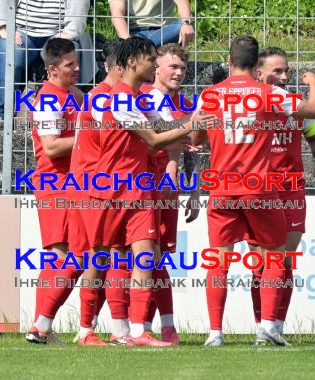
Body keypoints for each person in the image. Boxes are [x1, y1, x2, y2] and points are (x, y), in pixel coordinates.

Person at [191, 35, 315, 347]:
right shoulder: (270, 94)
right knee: (276, 255)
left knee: (218, 261)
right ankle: (267, 328)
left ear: (229, 60)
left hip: (222, 188)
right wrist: (314, 82)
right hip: (259, 188)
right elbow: (314, 110)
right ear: (255, 64)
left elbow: (196, 138)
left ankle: (215, 334)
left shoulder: (210, 95)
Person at [86, 36, 214, 347]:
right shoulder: (119, 100)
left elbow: (167, 129)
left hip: (139, 189)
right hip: (115, 188)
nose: (154, 64)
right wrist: (191, 125)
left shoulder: (139, 99)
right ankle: (99, 329)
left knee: (146, 257)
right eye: (150, 59)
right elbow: (155, 140)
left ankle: (136, 331)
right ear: (132, 63)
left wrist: (195, 128)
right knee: (111, 258)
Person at [251, 47, 315, 342]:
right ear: (259, 73)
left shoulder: (295, 107)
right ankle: (262, 325)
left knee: (284, 260)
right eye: (277, 71)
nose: (284, 77)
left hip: (292, 189)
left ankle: (276, 326)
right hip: (259, 189)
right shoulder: (250, 103)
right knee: (260, 263)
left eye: (287, 71)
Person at [140, 43, 201, 344]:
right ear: (156, 69)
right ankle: (146, 327)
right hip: (146, 187)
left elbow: (191, 150)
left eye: (182, 68)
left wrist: (194, 190)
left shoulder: (186, 104)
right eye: (172, 67)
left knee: (157, 257)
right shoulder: (147, 100)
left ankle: (154, 327)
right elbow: (161, 143)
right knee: (143, 257)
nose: (178, 72)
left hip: (169, 190)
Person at [23, 38, 82, 345]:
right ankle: (41, 326)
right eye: (70, 64)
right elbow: (51, 146)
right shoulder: (48, 99)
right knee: (68, 256)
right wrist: (91, 137)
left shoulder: (74, 94)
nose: (77, 68)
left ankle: (41, 327)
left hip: (74, 184)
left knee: (57, 260)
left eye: (77, 61)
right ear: (52, 69)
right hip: (55, 185)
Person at [69, 40, 124, 346]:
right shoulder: (105, 98)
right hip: (94, 186)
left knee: (107, 257)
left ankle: (114, 330)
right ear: (121, 67)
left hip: (97, 185)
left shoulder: (109, 96)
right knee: (99, 257)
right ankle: (86, 330)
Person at [0, 0, 93, 129]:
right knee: (9, 53)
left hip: (60, 32)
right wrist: (3, 27)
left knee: (67, 56)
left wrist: (71, 31)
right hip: (20, 32)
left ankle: (71, 115)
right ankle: (0, 114)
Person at [109, 0, 195, 47]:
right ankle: (144, 49)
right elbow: (117, 14)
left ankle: (142, 49)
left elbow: (183, 3)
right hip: (134, 32)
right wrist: (128, 41)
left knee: (186, 25)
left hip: (164, 31)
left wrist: (186, 23)